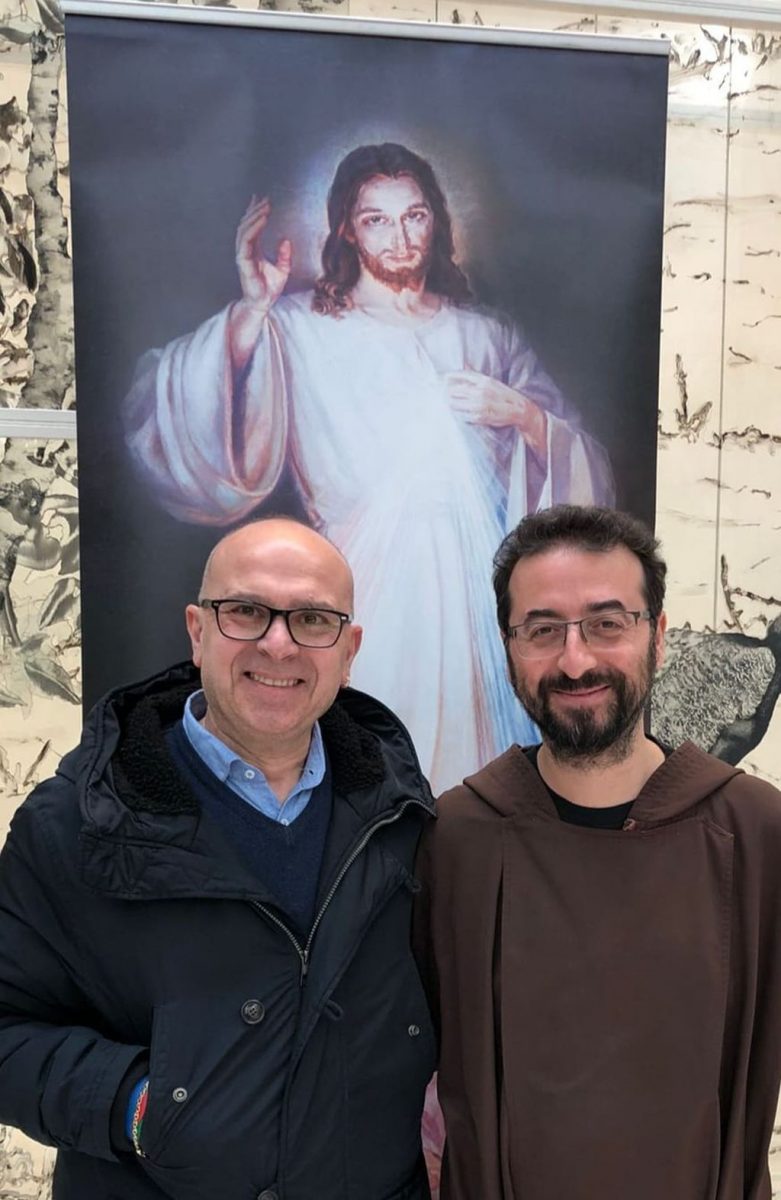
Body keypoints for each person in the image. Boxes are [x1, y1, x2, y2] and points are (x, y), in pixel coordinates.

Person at [124, 142, 615, 794]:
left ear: (436, 220)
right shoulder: (299, 325)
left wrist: (524, 416)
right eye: (376, 219)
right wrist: (250, 314)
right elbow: (171, 411)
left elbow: (590, 489)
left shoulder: (483, 336)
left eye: (414, 215)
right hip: (362, 591)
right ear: (347, 231)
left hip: (474, 611)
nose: (399, 236)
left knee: (473, 790)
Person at [0, 517, 436, 1200]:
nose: (278, 643)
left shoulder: (404, 815)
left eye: (312, 620)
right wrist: (136, 1107)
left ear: (348, 651)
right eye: (246, 611)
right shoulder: (75, 823)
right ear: (197, 631)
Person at [414, 503, 781, 1200]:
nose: (575, 660)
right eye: (542, 630)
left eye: (607, 624)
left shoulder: (755, 831)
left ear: (658, 638)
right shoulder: (455, 836)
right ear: (509, 649)